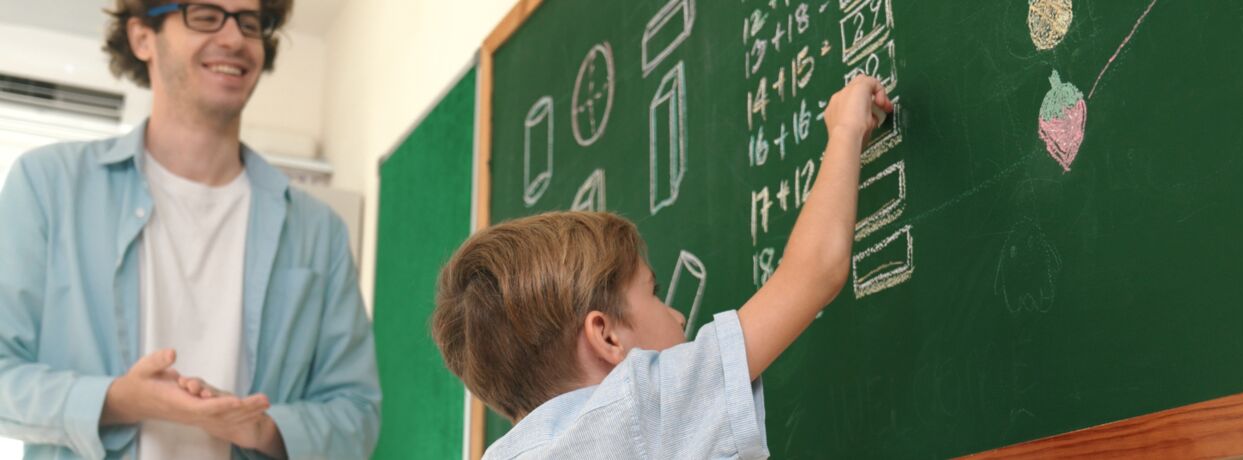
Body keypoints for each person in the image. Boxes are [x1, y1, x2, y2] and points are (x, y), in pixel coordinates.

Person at [431, 75, 893, 458]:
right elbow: (815, 272)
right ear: (607, 336)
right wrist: (845, 131)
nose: (676, 315)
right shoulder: (639, 409)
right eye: (652, 293)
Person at [0, 0, 380, 458]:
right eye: (205, 14)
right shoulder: (47, 186)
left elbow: (357, 416)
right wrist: (118, 400)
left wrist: (261, 428)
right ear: (143, 37)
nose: (234, 38)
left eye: (250, 21)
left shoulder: (321, 233)